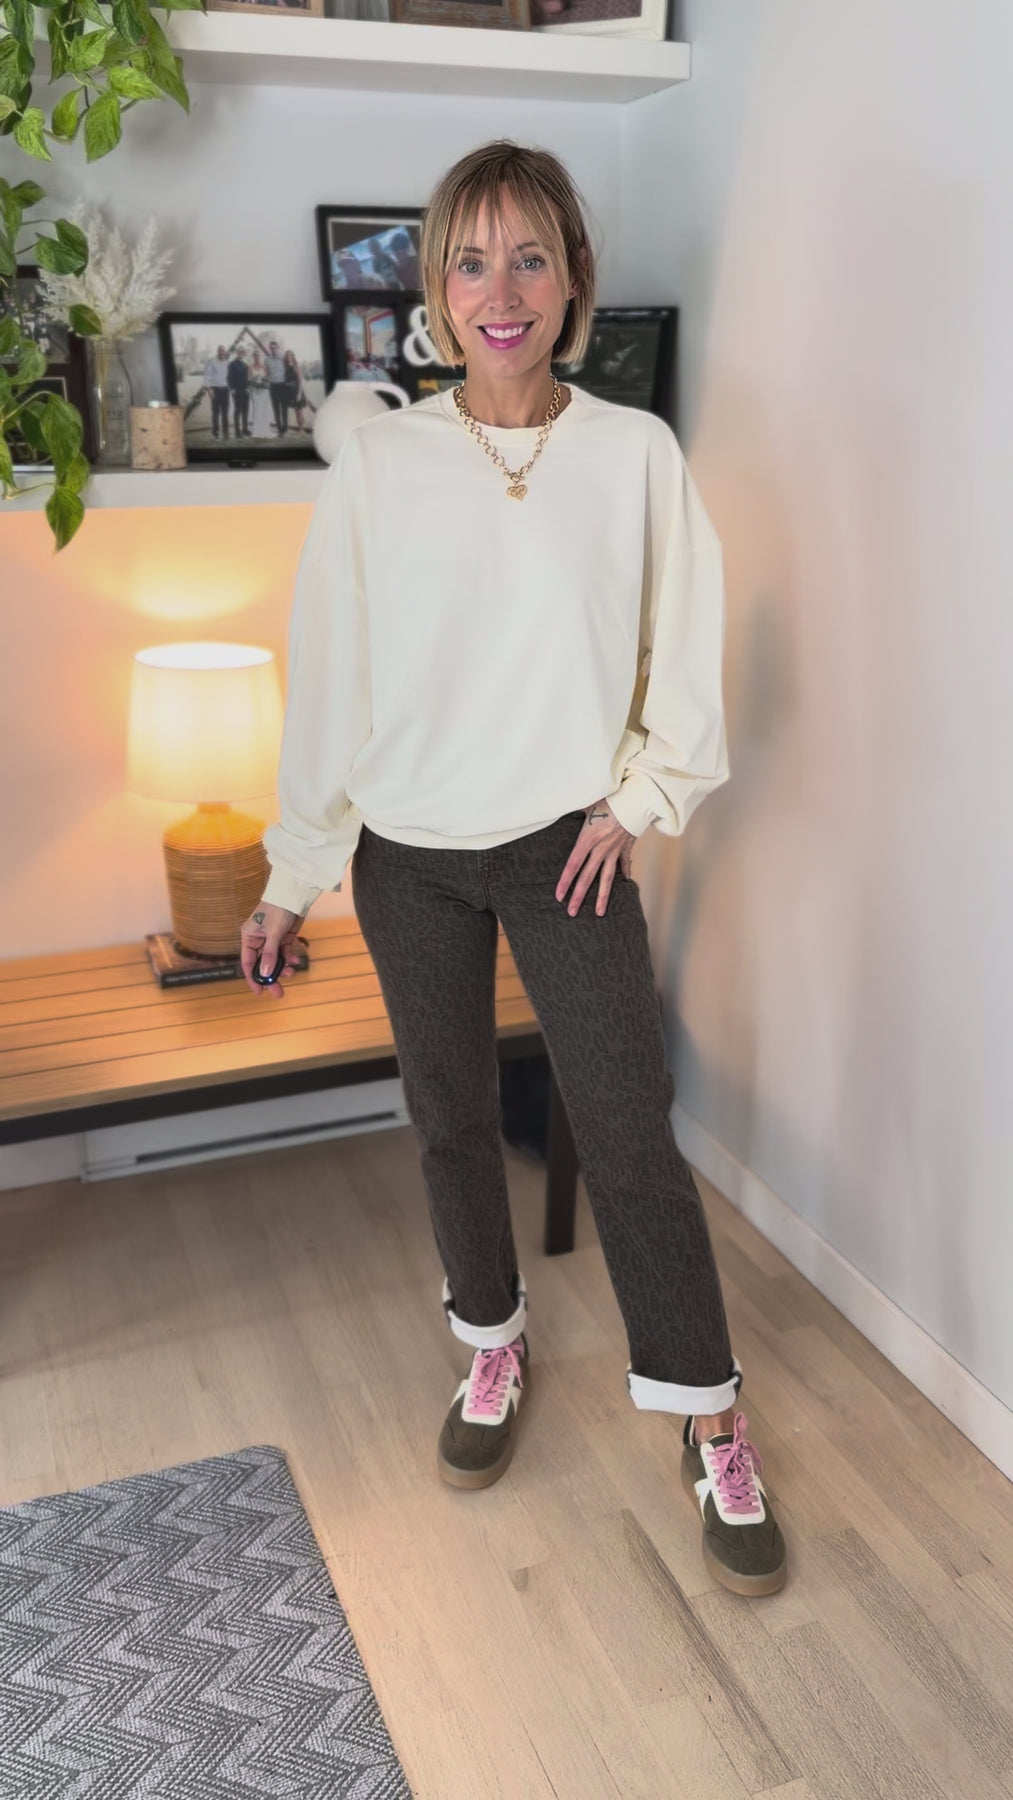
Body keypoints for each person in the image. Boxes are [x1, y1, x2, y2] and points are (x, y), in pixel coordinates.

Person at [239, 140, 787, 1599]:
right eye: (471, 260)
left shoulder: (634, 454)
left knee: (626, 1128)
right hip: (407, 856)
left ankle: (708, 1415)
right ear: (434, 288)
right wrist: (294, 871)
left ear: (571, 279)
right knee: (450, 1117)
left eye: (530, 257)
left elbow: (683, 646)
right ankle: (491, 1344)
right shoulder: (382, 464)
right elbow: (332, 678)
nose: (502, 290)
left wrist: (640, 797)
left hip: (564, 851)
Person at [282, 348, 315, 434]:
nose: (289, 357)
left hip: (297, 391)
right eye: (287, 355)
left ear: (293, 357)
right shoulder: (286, 367)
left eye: (290, 355)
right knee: (296, 411)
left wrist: (299, 394)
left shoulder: (296, 367)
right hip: (290, 392)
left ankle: (301, 429)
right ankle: (300, 428)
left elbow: (300, 381)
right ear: (286, 357)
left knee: (299, 411)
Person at [203, 344, 231, 439]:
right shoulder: (212, 361)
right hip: (215, 389)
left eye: (223, 351)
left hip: (225, 390)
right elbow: (207, 375)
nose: (222, 352)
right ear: (217, 352)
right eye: (220, 350)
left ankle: (226, 433)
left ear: (225, 352)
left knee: (225, 412)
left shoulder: (227, 362)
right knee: (215, 413)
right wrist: (209, 389)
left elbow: (229, 376)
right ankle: (215, 433)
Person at [228, 347, 251, 437]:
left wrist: (249, 387)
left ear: (244, 354)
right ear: (237, 353)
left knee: (245, 410)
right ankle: (237, 431)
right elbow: (229, 377)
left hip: (245, 390)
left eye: (242, 352)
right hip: (236, 390)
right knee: (238, 410)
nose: (241, 353)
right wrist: (232, 389)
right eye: (239, 352)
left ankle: (245, 429)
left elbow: (248, 378)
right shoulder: (232, 364)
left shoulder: (245, 364)